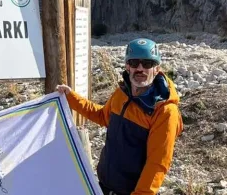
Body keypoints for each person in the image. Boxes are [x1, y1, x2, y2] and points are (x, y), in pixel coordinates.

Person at [57, 38, 183, 195]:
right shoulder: (121, 94)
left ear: (157, 69)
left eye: (148, 64)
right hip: (104, 186)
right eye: (135, 62)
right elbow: (102, 116)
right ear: (127, 66)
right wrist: (71, 97)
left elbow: (157, 163)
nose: (140, 69)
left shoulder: (165, 111)